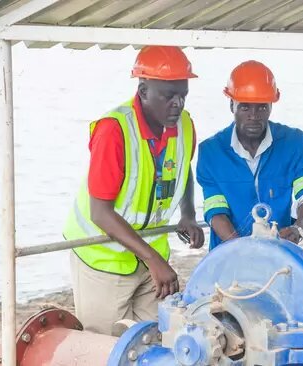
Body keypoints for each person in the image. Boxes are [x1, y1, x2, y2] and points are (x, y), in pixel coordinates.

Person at [63, 46, 204, 335]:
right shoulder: (114, 130)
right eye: (168, 96)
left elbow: (182, 169)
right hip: (103, 258)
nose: (177, 104)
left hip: (149, 251)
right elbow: (100, 212)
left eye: (183, 95)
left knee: (160, 338)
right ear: (142, 91)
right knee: (105, 347)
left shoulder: (184, 125)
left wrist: (187, 214)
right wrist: (154, 260)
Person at [196, 60, 303, 250]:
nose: (254, 115)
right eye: (245, 107)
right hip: (229, 253)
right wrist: (242, 249)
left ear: (271, 106)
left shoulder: (296, 144)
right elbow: (216, 211)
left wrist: (298, 229)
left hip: (280, 251)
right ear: (232, 105)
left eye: (262, 107)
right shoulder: (211, 151)